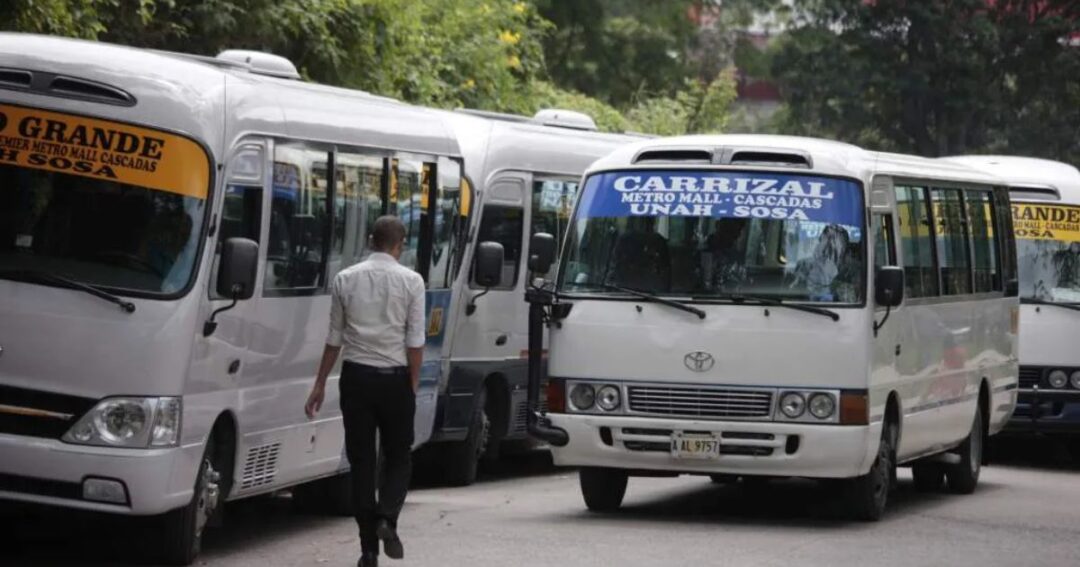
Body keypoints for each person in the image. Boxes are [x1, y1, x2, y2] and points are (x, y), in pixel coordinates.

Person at [305, 215, 424, 567]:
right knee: (399, 456)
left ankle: (368, 549)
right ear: (400, 245)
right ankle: (387, 517)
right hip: (395, 378)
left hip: (356, 378)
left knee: (362, 463)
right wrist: (412, 383)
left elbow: (334, 339)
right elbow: (415, 341)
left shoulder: (345, 279)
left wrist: (319, 383)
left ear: (371, 240)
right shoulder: (412, 281)